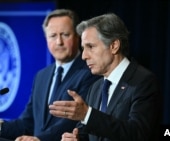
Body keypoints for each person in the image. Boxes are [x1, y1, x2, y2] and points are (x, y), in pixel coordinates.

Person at [0, 9, 100, 141]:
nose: (59, 42)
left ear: (77, 37)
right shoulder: (42, 76)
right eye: (53, 35)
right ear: (46, 39)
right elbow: (26, 123)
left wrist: (39, 139)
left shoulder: (90, 72)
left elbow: (73, 122)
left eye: (65, 35)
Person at [49, 13, 162, 141]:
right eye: (83, 48)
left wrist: (87, 114)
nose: (84, 56)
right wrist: (77, 138)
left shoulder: (143, 82)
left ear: (114, 46)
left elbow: (137, 133)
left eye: (90, 47)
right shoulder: (96, 87)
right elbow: (89, 132)